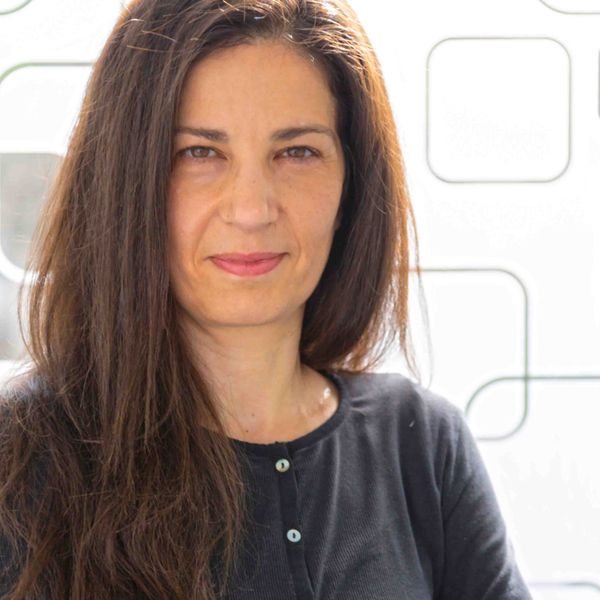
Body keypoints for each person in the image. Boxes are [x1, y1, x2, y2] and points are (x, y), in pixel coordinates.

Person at [0, 0, 533, 598]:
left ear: (352, 185)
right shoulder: (18, 457)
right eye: (199, 152)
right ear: (126, 183)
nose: (252, 210)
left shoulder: (423, 445)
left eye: (297, 152)